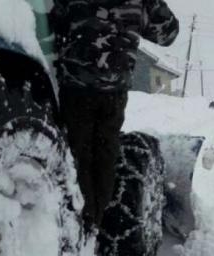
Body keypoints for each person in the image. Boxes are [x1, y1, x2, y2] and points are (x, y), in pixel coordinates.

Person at [50, 0, 179, 233]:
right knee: (105, 154)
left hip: (76, 85)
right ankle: (92, 222)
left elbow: (52, 20)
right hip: (113, 89)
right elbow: (167, 34)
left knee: (77, 153)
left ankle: (80, 222)